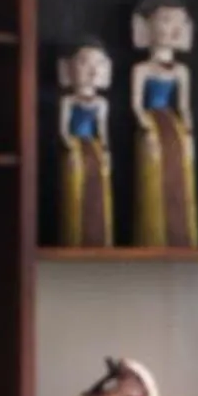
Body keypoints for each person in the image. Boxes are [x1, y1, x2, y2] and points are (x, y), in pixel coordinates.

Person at [130, 0, 198, 247]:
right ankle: (153, 234)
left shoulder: (182, 71)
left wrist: (188, 129)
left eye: (177, 22)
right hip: (150, 125)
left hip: (173, 125)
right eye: (165, 21)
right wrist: (145, 124)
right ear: (147, 27)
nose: (171, 29)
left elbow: (184, 106)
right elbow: (136, 104)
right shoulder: (141, 69)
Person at [57, 39, 114, 247]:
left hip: (93, 147)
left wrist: (106, 150)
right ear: (67, 68)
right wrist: (68, 143)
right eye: (84, 63)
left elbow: (102, 130)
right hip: (75, 147)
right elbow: (63, 129)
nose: (91, 71)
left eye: (97, 64)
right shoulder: (68, 101)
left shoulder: (101, 103)